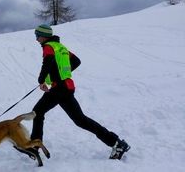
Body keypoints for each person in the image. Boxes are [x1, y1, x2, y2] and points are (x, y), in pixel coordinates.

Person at [30, 24, 130, 160]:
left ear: (44, 36)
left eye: (37, 36)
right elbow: (76, 61)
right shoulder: (61, 47)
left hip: (59, 88)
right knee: (80, 120)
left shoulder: (48, 47)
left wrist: (41, 80)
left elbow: (47, 63)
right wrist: (62, 74)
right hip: (66, 87)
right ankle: (116, 142)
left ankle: (34, 147)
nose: (36, 39)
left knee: (37, 112)